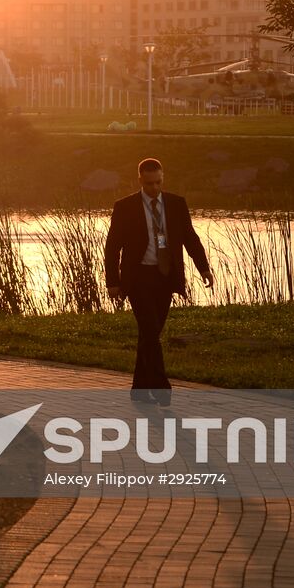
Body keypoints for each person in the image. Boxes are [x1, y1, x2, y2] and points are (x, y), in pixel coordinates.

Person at [104, 158, 212, 406]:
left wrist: (204, 268)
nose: (154, 188)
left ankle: (139, 390)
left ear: (163, 178)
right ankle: (162, 387)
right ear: (140, 180)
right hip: (138, 278)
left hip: (165, 276)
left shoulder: (176, 204)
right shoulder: (125, 207)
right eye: (149, 183)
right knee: (151, 332)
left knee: (149, 334)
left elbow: (190, 237)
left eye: (158, 182)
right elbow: (112, 247)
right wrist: (113, 281)